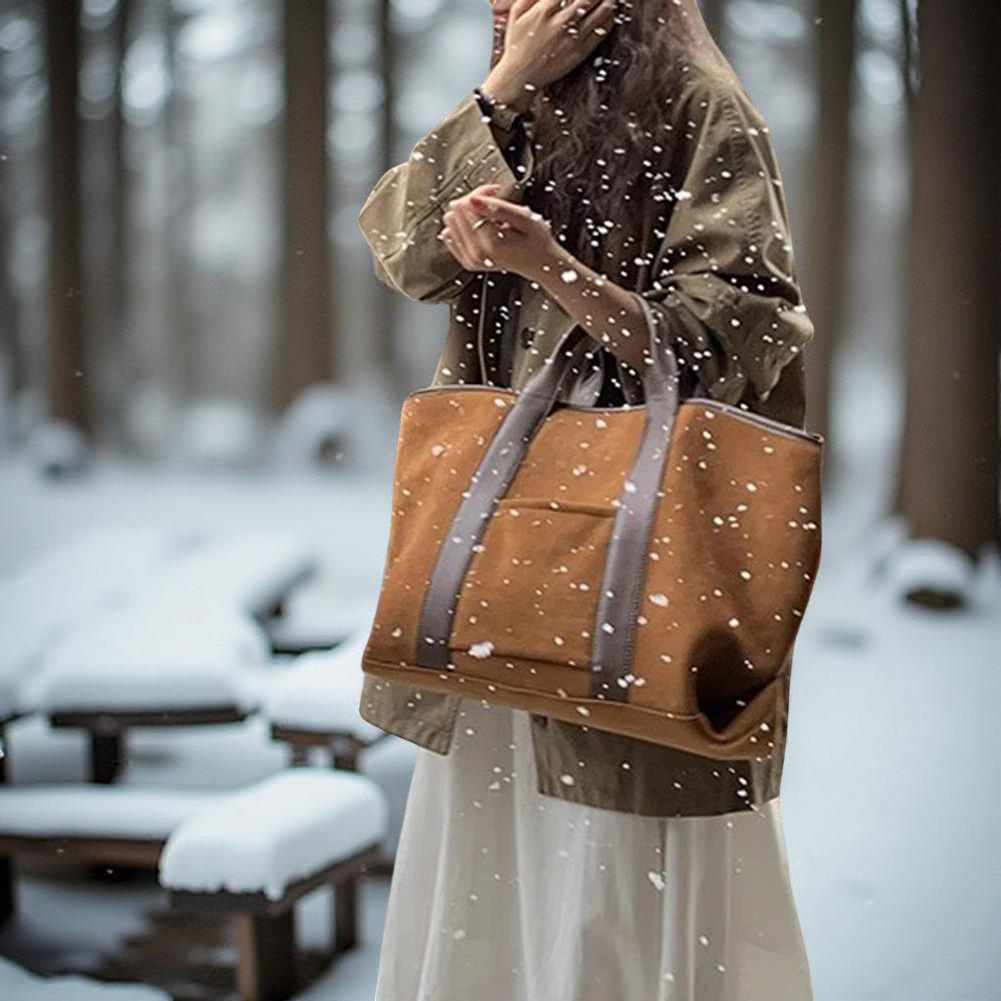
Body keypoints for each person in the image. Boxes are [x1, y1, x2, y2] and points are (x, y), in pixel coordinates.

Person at [357, 1, 816, 998]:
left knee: (608, 876)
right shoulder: (516, 100)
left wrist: (550, 269)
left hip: (634, 567)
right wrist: (501, 88)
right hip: (502, 581)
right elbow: (400, 247)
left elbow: (732, 344)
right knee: (495, 869)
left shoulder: (699, 101)